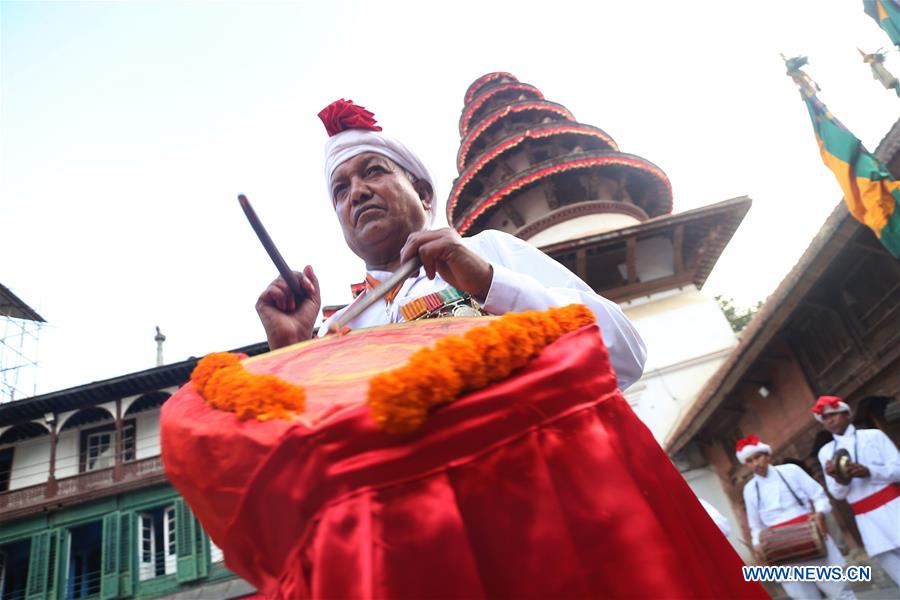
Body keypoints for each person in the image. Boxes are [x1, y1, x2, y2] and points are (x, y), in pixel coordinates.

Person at [255, 99, 647, 390]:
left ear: (424, 195)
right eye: (341, 189)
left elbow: (624, 355)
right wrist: (291, 352)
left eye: (373, 171)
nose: (357, 193)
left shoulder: (489, 253)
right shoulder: (337, 329)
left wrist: (491, 285)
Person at [738, 434, 853, 599]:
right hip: (780, 550)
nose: (756, 463)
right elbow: (756, 526)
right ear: (746, 465)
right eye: (749, 461)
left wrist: (819, 514)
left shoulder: (791, 471)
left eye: (758, 457)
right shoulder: (749, 489)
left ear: (768, 456)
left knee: (840, 592)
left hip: (810, 538)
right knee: (803, 597)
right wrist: (757, 545)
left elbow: (819, 496)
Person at [814, 395, 900, 585]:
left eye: (833, 414)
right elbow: (837, 494)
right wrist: (838, 477)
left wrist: (870, 471)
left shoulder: (874, 436)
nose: (830, 420)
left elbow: (898, 470)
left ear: (847, 414)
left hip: (895, 507)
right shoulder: (825, 452)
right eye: (825, 418)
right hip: (867, 521)